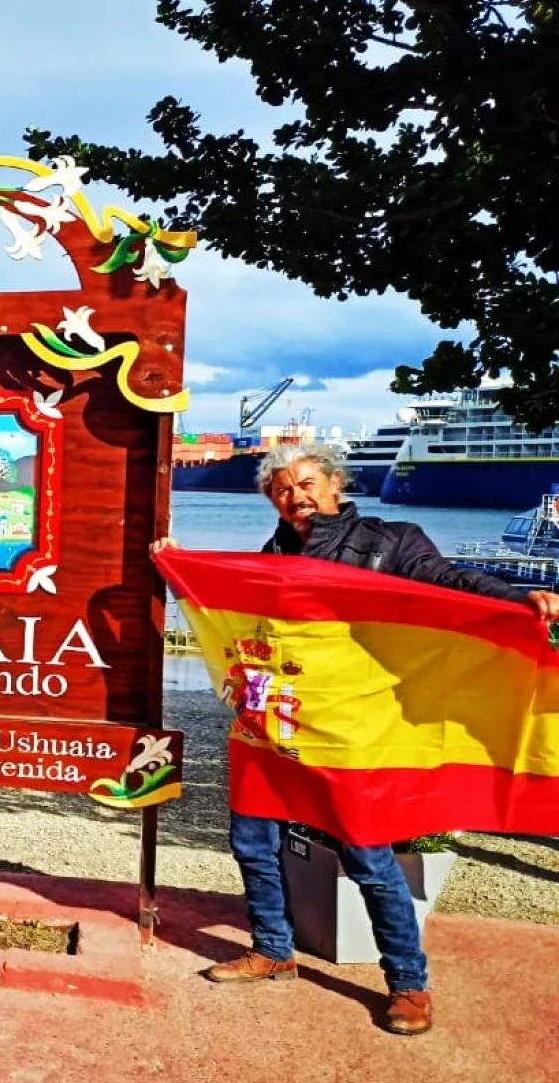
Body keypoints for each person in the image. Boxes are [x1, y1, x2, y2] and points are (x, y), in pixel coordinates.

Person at [155, 441, 559, 1036]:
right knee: (251, 842)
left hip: (348, 729)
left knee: (367, 854)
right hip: (273, 723)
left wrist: (515, 598)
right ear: (273, 500)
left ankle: (409, 984)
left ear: (337, 484)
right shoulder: (274, 552)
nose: (297, 495)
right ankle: (273, 950)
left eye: (308, 482)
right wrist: (179, 562)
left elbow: (447, 580)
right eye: (284, 488)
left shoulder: (389, 539)